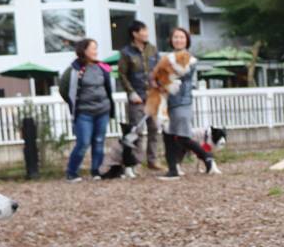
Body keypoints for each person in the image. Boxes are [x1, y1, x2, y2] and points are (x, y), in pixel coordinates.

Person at [156, 27, 220, 179]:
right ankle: (173, 170)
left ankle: (208, 158)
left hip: (182, 102)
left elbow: (179, 75)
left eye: (182, 37)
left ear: (187, 40)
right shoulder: (167, 57)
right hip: (167, 102)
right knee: (168, 136)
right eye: (176, 37)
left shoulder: (189, 59)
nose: (178, 40)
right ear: (171, 40)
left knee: (182, 136)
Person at [59, 38, 115, 182]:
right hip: (84, 113)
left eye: (96, 48)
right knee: (83, 143)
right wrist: (73, 103)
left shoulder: (102, 67)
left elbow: (108, 88)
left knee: (99, 141)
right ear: (84, 50)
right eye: (93, 48)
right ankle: (72, 172)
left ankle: (96, 171)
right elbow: (63, 89)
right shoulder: (74, 70)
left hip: (102, 111)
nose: (95, 51)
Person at [116, 21, 160, 172]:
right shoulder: (126, 52)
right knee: (138, 130)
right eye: (143, 30)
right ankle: (136, 162)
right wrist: (131, 92)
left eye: (146, 30)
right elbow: (122, 74)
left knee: (154, 128)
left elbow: (159, 70)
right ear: (135, 34)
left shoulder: (153, 49)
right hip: (137, 97)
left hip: (152, 96)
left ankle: (153, 160)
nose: (146, 33)